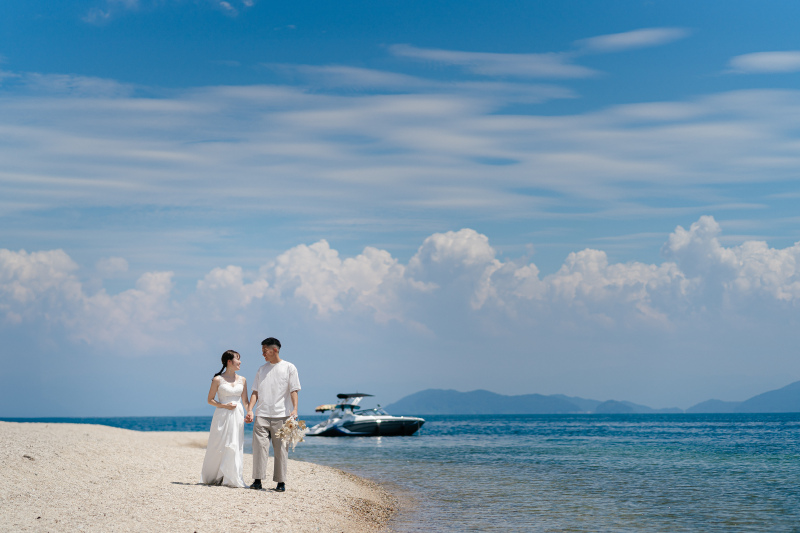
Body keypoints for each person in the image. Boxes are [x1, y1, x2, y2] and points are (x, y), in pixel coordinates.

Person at [245, 337, 301, 492]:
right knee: (259, 449)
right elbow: (255, 392)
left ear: (274, 349)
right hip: (261, 415)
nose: (263, 354)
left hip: (282, 416)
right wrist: (250, 409)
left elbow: (294, 390)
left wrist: (295, 409)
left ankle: (280, 482)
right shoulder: (261, 369)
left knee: (281, 450)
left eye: (265, 351)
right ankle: (257, 480)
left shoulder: (289, 367)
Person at [200, 350, 250, 488]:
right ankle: (216, 476)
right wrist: (224, 406)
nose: (240, 362)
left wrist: (249, 411)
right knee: (219, 444)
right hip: (222, 414)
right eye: (237, 359)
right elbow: (210, 400)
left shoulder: (243, 379)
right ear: (229, 361)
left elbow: (245, 400)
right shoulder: (217, 379)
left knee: (235, 443)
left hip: (237, 414)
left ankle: (231, 477)